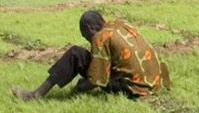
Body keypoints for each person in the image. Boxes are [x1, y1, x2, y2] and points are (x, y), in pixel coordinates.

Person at [14, 10, 169, 100]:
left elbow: (97, 80)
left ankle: (36, 94)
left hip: (134, 90)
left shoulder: (101, 37)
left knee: (75, 53)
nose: (87, 39)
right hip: (155, 83)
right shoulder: (122, 25)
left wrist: (79, 88)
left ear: (89, 28)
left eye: (85, 35)